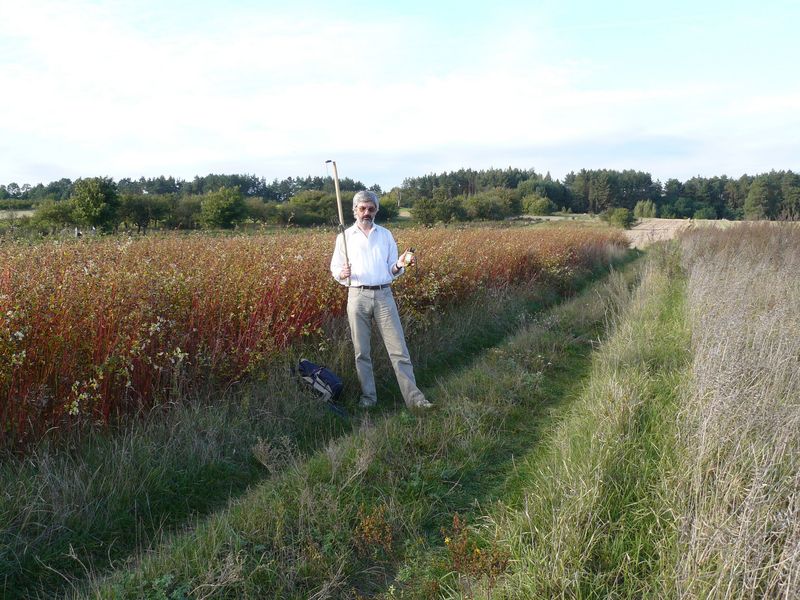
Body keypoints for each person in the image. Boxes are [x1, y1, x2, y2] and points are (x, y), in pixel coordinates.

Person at [330, 190, 433, 410]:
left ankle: (415, 400)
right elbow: (335, 269)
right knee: (361, 352)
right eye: (362, 208)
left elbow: (392, 269)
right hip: (356, 296)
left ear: (376, 210)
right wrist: (342, 273)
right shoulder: (344, 238)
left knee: (398, 349)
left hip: (384, 295)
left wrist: (400, 264)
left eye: (371, 208)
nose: (367, 212)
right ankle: (369, 398)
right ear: (355, 210)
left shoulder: (385, 235)